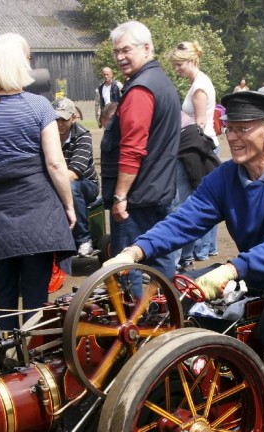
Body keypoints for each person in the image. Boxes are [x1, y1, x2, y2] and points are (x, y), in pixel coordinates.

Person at [105, 92, 264, 432]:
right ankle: (176, 388)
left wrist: (232, 268)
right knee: (181, 294)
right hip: (257, 270)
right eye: (229, 128)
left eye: (243, 129)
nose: (232, 137)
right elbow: (184, 220)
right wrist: (134, 251)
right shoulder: (226, 176)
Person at [0, 33, 76, 333]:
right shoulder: (39, 106)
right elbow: (55, 163)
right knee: (36, 292)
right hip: (38, 210)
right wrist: (69, 205)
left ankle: (0, 356)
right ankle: (31, 360)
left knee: (2, 290)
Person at [100, 20, 181, 283]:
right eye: (116, 52)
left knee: (129, 267)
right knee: (160, 257)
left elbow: (133, 149)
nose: (120, 57)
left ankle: (138, 321)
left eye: (126, 50)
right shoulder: (161, 81)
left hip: (138, 198)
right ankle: (167, 315)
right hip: (159, 190)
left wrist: (120, 196)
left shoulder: (140, 90)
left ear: (146, 48)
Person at [169, 40, 219, 265]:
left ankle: (197, 251)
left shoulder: (199, 87)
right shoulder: (198, 82)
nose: (177, 69)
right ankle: (203, 249)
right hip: (200, 146)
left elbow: (199, 123)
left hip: (198, 147)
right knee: (204, 196)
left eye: (180, 65)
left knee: (193, 199)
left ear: (192, 60)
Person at [53, 97, 100, 257]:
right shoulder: (47, 135)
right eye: (56, 118)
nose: (59, 123)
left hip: (86, 184)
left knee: (70, 187)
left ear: (73, 117)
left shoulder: (83, 136)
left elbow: (74, 173)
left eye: (64, 119)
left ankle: (83, 239)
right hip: (58, 181)